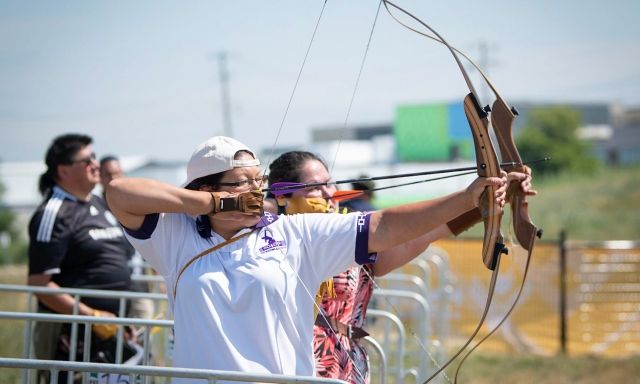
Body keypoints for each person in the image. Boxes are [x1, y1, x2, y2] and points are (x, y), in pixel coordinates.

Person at [105, 136, 507, 383]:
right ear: (206, 188)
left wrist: (470, 200)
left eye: (257, 181)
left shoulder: (292, 231)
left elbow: (384, 226)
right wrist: (213, 203)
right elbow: (120, 192)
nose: (254, 189)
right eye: (242, 182)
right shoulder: (175, 237)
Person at [267, 150, 536, 383]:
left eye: (330, 183)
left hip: (347, 360)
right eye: (315, 187)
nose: (329, 193)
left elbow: (419, 235)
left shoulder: (347, 233)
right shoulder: (273, 240)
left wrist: (487, 202)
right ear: (282, 195)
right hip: (302, 363)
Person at [27, 134, 137, 382]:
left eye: (94, 157)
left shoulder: (100, 203)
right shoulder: (54, 213)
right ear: (63, 170)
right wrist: (91, 316)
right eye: (86, 160)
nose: (96, 165)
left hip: (116, 334)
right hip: (74, 340)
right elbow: (39, 283)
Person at [100, 155, 155, 321]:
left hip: (137, 284)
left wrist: (158, 270)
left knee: (141, 335)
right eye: (108, 174)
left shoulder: (134, 202)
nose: (113, 179)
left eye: (117, 174)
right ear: (100, 178)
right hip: (107, 287)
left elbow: (149, 237)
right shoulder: (95, 206)